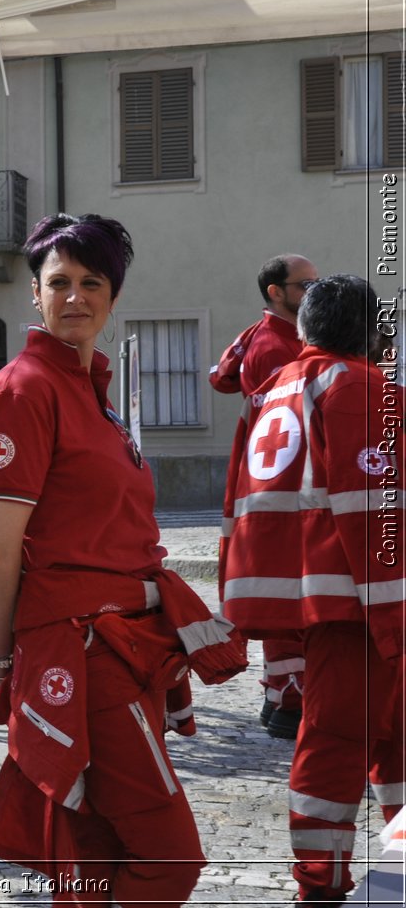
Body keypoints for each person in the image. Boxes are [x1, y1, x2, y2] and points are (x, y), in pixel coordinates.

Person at [0, 213, 245, 907]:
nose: (75, 295)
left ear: (113, 298)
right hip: (81, 649)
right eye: (58, 281)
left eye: (92, 282)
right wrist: (4, 658)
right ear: (34, 292)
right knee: (169, 856)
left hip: (129, 645)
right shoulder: (24, 388)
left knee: (94, 855)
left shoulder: (97, 394)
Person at [220, 274, 403, 904]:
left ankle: (379, 868)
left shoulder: (274, 387)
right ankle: (322, 885)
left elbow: (237, 503)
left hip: (316, 597)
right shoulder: (361, 387)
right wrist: (396, 616)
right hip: (362, 604)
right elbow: (372, 507)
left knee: (384, 737)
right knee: (342, 743)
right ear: (368, 328)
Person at [210, 252, 321, 739]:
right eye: (305, 286)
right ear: (276, 292)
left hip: (269, 483)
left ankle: (280, 695)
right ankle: (290, 699)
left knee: (283, 592)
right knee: (288, 597)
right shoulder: (279, 346)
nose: (313, 294)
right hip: (283, 485)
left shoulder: (267, 338)